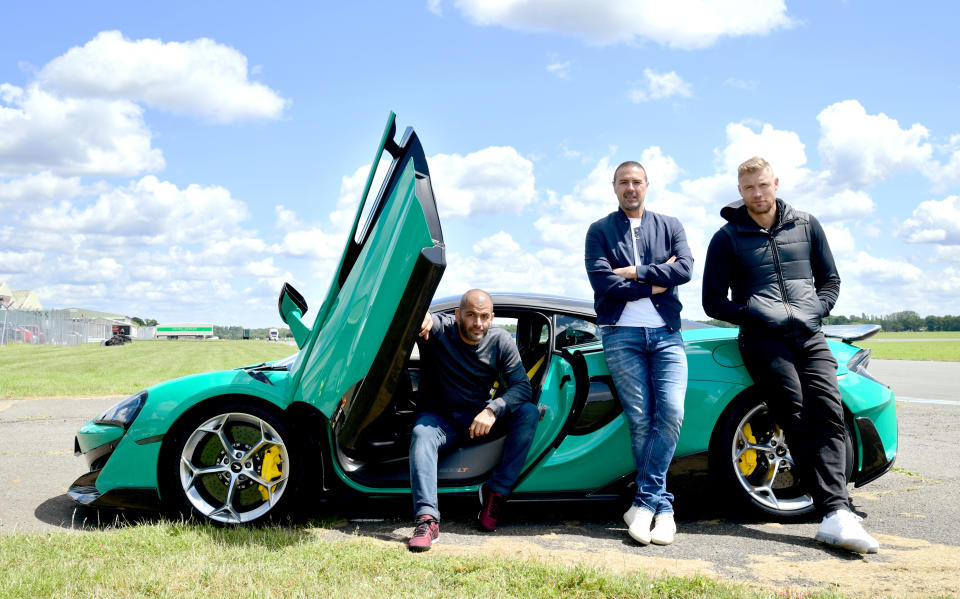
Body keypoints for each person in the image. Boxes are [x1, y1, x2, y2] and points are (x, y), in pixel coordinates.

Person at [701, 156, 879, 554]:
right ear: (740, 191)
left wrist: (818, 308)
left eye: (763, 185)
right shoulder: (727, 237)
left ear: (775, 183)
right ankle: (834, 510)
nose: (757, 193)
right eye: (749, 188)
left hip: (809, 334)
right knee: (794, 414)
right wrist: (752, 313)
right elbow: (712, 302)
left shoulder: (807, 224)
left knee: (829, 411)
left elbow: (830, 279)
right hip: (763, 341)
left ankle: (836, 510)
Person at [584, 161, 693, 546]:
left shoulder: (671, 225)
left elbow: (684, 270)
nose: (630, 188)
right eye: (623, 182)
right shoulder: (599, 230)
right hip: (621, 334)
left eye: (636, 181)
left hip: (666, 334)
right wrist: (653, 280)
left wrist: (634, 272)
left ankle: (646, 503)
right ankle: (663, 509)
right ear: (614, 187)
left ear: (647, 185)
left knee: (672, 413)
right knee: (641, 418)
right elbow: (603, 282)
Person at [406, 289, 538, 552]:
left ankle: (496, 493)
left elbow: (523, 387)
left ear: (492, 317)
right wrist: (422, 315)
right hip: (439, 421)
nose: (478, 323)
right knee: (421, 434)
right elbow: (419, 316)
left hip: (477, 420)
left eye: (484, 317)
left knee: (529, 412)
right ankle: (427, 519)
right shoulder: (442, 329)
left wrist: (493, 409)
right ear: (457, 315)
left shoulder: (500, 340)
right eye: (471, 316)